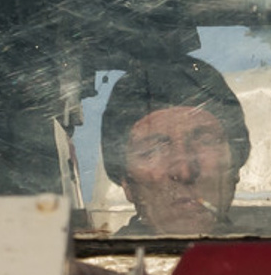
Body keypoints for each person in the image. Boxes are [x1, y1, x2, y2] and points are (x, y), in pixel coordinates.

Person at [100, 57, 253, 238]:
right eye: (153, 150)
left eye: (205, 141)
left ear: (234, 166)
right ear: (126, 182)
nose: (184, 171)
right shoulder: (87, 262)